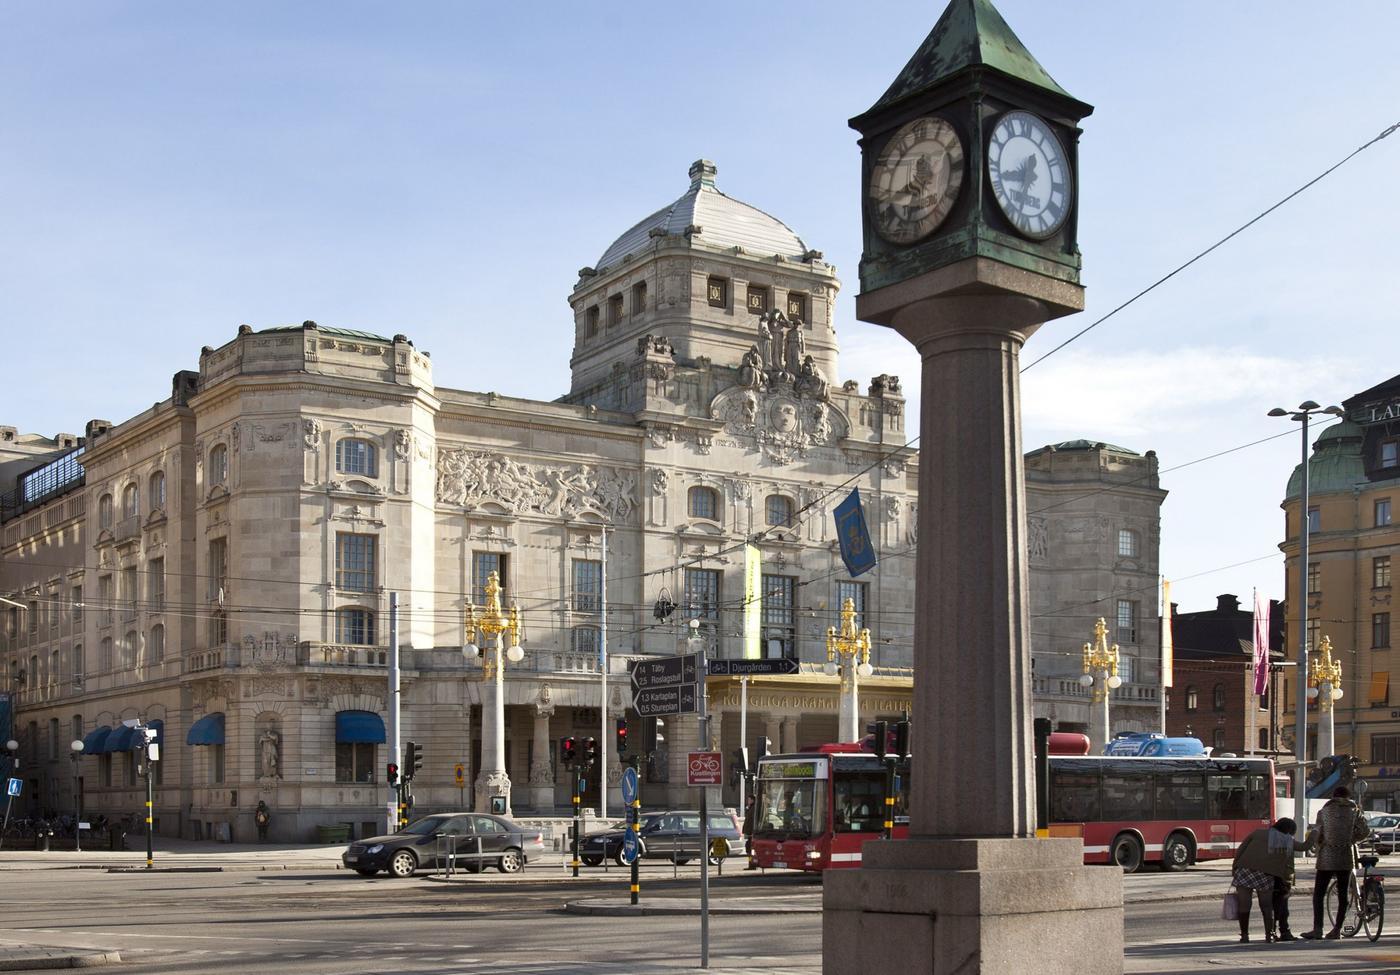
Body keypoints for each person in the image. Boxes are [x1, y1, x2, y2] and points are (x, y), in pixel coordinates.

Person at [1300, 786, 1370, 939]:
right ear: (1348, 797)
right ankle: (1337, 929)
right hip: (1346, 855)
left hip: (1327, 856)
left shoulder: (1324, 811)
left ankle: (1318, 929)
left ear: (1333, 796)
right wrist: (1351, 840)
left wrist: (1320, 844)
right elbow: (1365, 831)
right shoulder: (1355, 811)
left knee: (1319, 893)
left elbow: (1318, 832)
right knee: (1343, 894)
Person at [1231, 817, 1299, 943]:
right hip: (1265, 873)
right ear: (1289, 830)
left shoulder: (1257, 832)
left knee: (1244, 905)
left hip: (1244, 870)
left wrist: (1235, 867)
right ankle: (1269, 935)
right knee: (1267, 906)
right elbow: (1304, 847)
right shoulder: (1285, 839)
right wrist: (1316, 832)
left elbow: (1241, 849)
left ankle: (1244, 935)